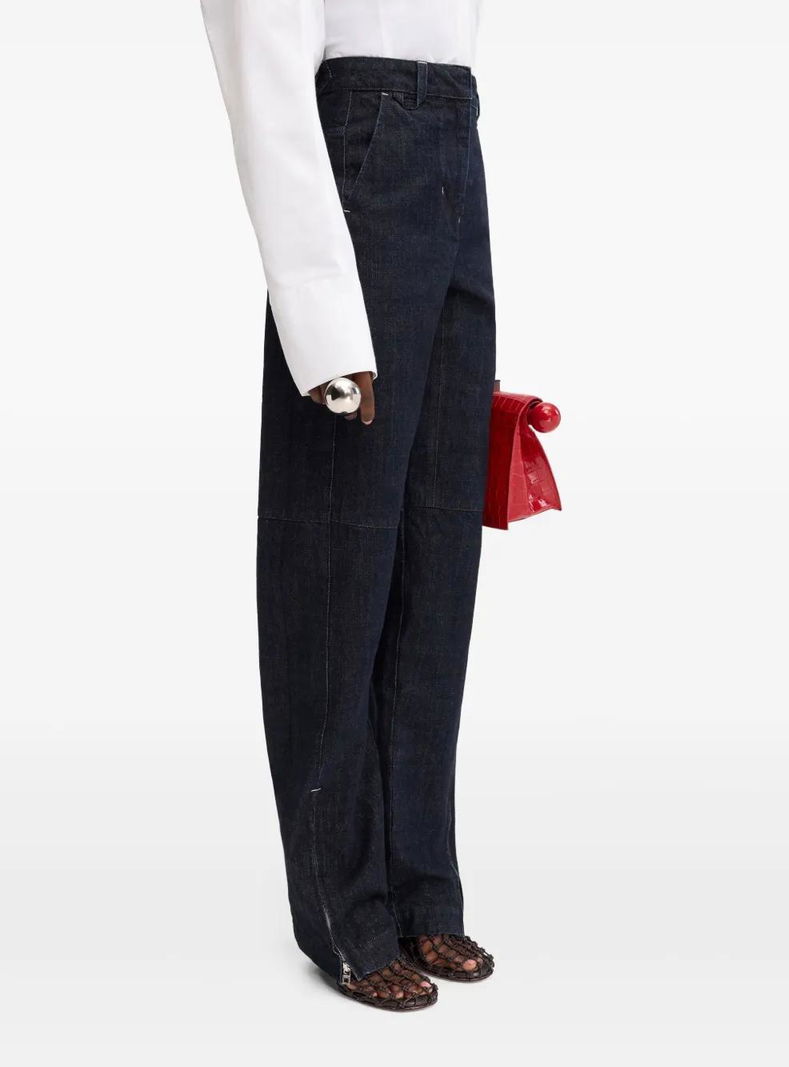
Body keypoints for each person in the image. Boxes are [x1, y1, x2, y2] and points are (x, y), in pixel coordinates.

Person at [200, 0, 496, 1010]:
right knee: (335, 558)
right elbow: (262, 72)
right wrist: (319, 313)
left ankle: (420, 886)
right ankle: (343, 911)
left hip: (455, 135)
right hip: (356, 149)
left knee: (436, 553)